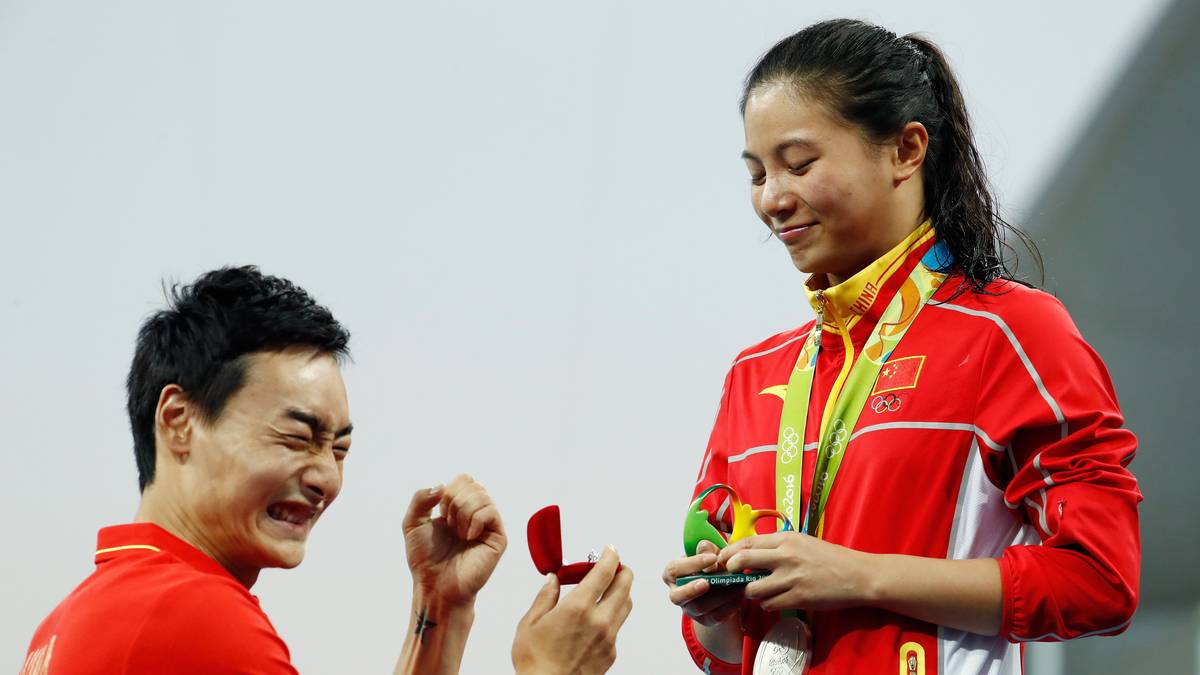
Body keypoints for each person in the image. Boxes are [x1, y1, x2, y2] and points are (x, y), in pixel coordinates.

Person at [662, 19, 1141, 675]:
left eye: (799, 163)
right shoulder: (755, 373)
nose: (773, 197)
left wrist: (859, 576)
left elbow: (1100, 579)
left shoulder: (1011, 331)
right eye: (757, 173)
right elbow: (728, 656)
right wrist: (717, 612)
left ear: (906, 150)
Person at [20, 266, 633, 675]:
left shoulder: (66, 623)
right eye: (298, 436)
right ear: (179, 420)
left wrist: (438, 608)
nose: (325, 479)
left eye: (338, 449)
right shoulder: (198, 617)